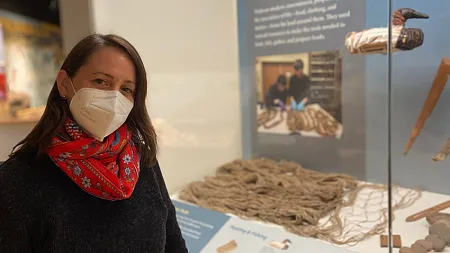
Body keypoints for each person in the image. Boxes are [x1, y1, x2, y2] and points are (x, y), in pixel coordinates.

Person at [0, 34, 188, 252]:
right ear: (64, 84)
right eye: (101, 81)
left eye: (126, 89)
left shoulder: (142, 161)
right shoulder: (19, 179)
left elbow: (174, 245)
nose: (114, 98)